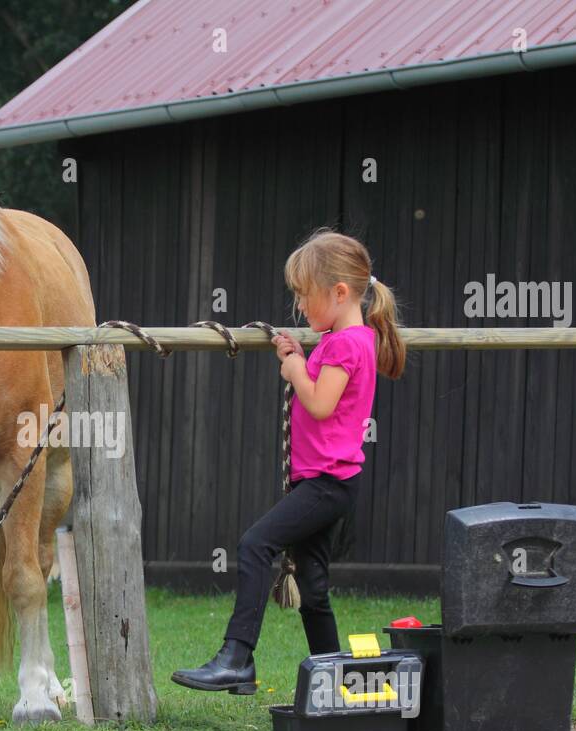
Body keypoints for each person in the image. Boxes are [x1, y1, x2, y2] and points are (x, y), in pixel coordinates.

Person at [172, 229, 406, 694]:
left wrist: (296, 367)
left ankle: (237, 658)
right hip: (327, 484)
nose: (300, 307)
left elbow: (320, 403)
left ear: (339, 294)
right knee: (314, 590)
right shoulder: (352, 341)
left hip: (325, 484)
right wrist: (302, 356)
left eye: (304, 296)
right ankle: (335, 679)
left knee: (255, 545)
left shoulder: (345, 344)